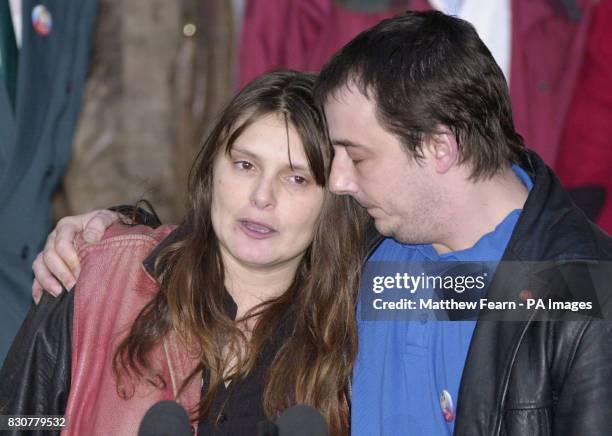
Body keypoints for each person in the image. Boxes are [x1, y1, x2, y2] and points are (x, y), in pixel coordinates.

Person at [27, 11, 612, 436]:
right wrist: (110, 234)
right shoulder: (379, 250)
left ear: (439, 149)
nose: (340, 183)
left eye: (356, 157)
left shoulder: (578, 295)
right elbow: (235, 240)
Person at [0, 70, 366, 435]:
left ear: (332, 200)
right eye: (245, 165)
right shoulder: (100, 271)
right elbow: (19, 420)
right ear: (212, 172)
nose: (261, 196)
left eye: (296, 178)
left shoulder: (354, 334)